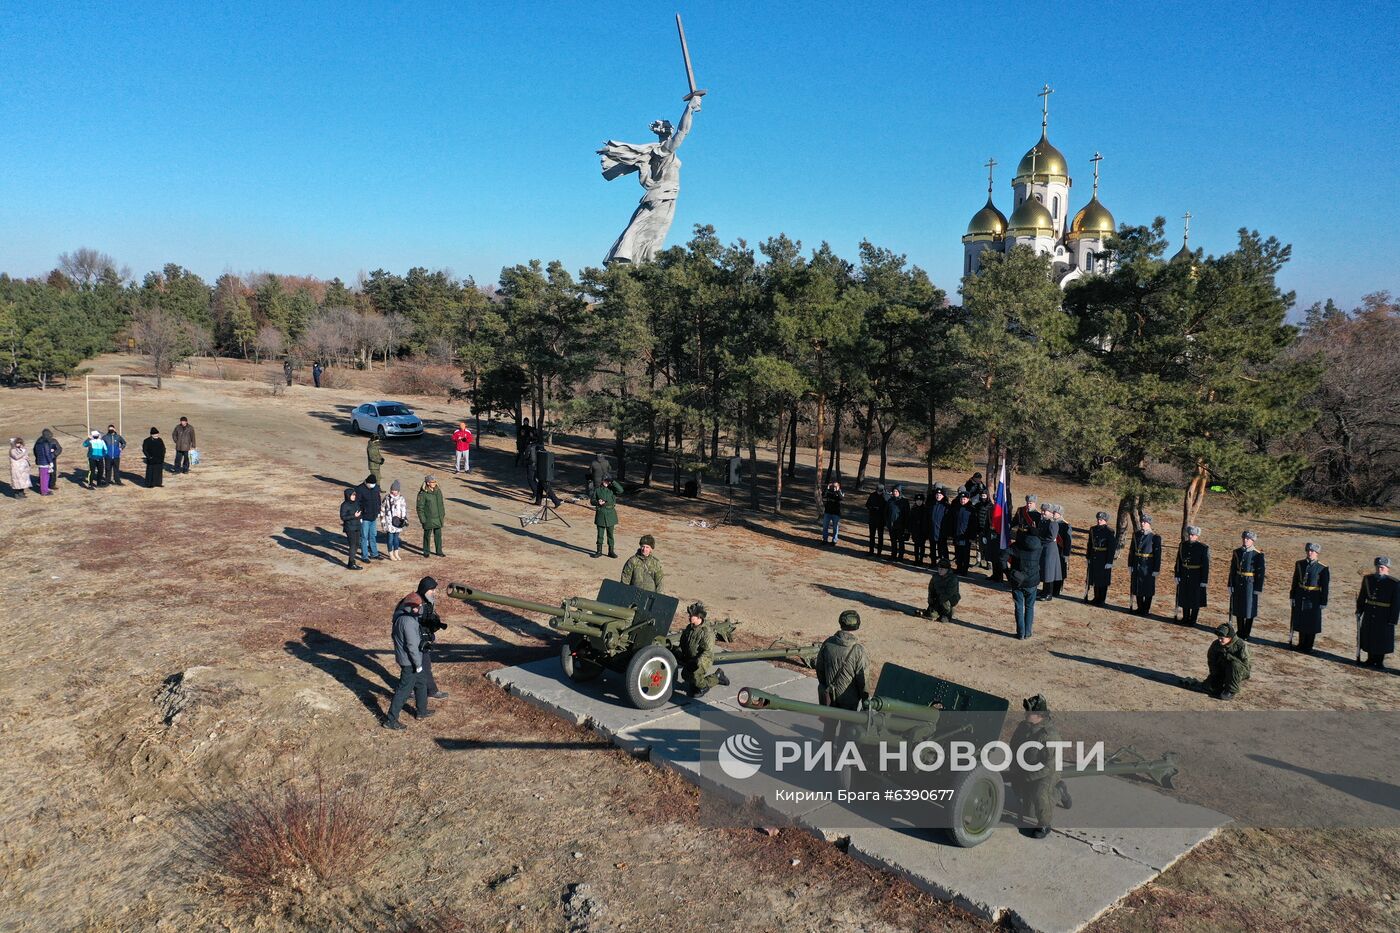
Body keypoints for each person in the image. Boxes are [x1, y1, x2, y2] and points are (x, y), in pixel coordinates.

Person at [1009, 695, 1070, 839]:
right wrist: (1016, 768)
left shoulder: (1050, 736)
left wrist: (1029, 776)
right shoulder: (1023, 727)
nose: (1026, 714)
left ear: (1040, 716)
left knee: (1040, 795)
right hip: (1027, 767)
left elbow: (1050, 766)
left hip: (1047, 772)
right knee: (1027, 809)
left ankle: (1045, 822)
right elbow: (1014, 746)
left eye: (1030, 713)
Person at [815, 610, 870, 744]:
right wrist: (866, 702)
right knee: (847, 732)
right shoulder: (859, 650)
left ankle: (825, 758)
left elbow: (820, 670)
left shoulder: (828, 644)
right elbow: (863, 680)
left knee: (828, 729)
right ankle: (842, 759)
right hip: (850, 701)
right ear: (857, 625)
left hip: (830, 697)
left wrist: (826, 686)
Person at [384, 593, 432, 729]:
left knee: (421, 683)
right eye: (419, 606)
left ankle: (422, 711)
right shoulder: (409, 622)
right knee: (403, 691)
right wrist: (417, 665)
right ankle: (391, 720)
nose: (420, 609)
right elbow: (412, 646)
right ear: (412, 608)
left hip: (409, 659)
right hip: (411, 662)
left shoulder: (399, 617)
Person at [1181, 623, 1251, 700]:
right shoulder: (1216, 644)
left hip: (1238, 671)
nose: (1219, 640)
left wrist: (1229, 657)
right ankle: (1220, 683)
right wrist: (1214, 675)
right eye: (1218, 638)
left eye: (1222, 638)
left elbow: (1245, 665)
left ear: (1229, 637)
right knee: (1207, 687)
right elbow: (1211, 660)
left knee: (1233, 664)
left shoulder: (1241, 645)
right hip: (1221, 669)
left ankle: (1231, 690)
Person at [677, 602, 730, 697]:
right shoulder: (690, 628)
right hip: (692, 657)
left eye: (691, 615)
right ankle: (695, 683)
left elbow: (708, 652)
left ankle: (715, 678)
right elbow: (683, 642)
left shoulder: (706, 632)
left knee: (696, 678)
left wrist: (698, 662)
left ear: (699, 617)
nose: (689, 617)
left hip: (703, 659)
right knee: (685, 675)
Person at [1357, 557, 1399, 669]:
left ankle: (1379, 662)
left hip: (1384, 615)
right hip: (1370, 612)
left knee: (1381, 638)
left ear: (1387, 569)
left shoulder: (1394, 583)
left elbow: (1396, 603)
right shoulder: (1368, 579)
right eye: (1377, 567)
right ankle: (1370, 659)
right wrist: (1359, 610)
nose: (1379, 569)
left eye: (1382, 568)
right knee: (1369, 635)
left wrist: (1393, 619)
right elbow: (1362, 596)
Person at [1288, 543, 1328, 654]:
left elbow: (1325, 587)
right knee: (1301, 620)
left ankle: (1308, 646)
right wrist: (1292, 595)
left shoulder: (1322, 568)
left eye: (1312, 551)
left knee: (1311, 622)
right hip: (1301, 595)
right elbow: (1295, 581)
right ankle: (1301, 643)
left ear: (1317, 553)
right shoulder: (1300, 564)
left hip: (1314, 597)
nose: (1310, 553)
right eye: (1308, 551)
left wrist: (1323, 601)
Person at [415, 576, 450, 700]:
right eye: (432, 590)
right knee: (415, 668)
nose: (434, 592)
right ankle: (427, 691)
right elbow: (411, 625)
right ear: (425, 589)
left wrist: (435, 625)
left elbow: (427, 620)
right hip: (415, 642)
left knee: (424, 666)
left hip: (422, 640)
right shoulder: (416, 603)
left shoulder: (427, 601)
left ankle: (431, 690)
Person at [1227, 531, 1266, 639]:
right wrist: (1230, 584)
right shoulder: (1237, 552)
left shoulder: (1257, 555)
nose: (1245, 540)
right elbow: (1233, 569)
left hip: (1250, 584)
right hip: (1238, 581)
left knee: (1249, 609)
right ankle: (1240, 631)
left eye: (1248, 539)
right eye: (1244, 538)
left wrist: (1258, 587)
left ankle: (1246, 632)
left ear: (1253, 541)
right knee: (1239, 607)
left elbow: (1260, 573)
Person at [1009, 527, 1043, 639]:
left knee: (1018, 607)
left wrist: (1007, 572)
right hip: (1032, 581)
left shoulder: (1017, 546)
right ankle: (1027, 633)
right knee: (1029, 607)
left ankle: (1020, 633)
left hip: (1018, 580)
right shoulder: (1039, 546)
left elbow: (1002, 556)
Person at [1175, 526, 1210, 627]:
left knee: (1195, 598)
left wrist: (1204, 580)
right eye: (1189, 534)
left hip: (1197, 575)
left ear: (1197, 536)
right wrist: (1177, 574)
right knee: (1185, 596)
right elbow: (1178, 561)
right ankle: (1185, 617)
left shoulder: (1203, 548)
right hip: (1185, 574)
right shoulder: (1183, 545)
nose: (1190, 536)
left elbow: (1206, 565)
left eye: (1193, 535)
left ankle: (1193, 619)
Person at [1128, 516, 1163, 616]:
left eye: (1145, 522)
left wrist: (1156, 569)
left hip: (1148, 566)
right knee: (1137, 587)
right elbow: (1132, 551)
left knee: (1147, 589)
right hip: (1137, 564)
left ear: (1149, 524)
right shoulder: (1136, 535)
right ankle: (1139, 608)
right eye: (1142, 522)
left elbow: (1157, 555)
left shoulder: (1155, 537)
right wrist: (1130, 564)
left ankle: (1145, 609)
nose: (1142, 523)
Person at [1085, 512, 1116, 605]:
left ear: (1105, 521)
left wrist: (1109, 561)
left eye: (1101, 520)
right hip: (1094, 556)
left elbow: (1111, 548)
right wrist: (1088, 556)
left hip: (1103, 558)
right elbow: (1090, 544)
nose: (1099, 521)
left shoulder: (1109, 531)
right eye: (1098, 519)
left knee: (1102, 580)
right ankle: (1096, 597)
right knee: (1094, 578)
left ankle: (1101, 599)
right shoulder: (1093, 529)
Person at [1038, 504, 1067, 601]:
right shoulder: (1043, 522)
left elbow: (1051, 537)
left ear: (1050, 513)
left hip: (1050, 550)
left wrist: (1039, 540)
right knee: (1045, 571)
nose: (1042, 512)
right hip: (1044, 549)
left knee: (1049, 572)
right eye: (1042, 510)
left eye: (1044, 511)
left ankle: (1048, 594)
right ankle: (1044, 591)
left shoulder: (1053, 523)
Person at [921, 559, 961, 623]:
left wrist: (937, 605)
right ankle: (939, 611)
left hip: (951, 598)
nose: (940, 570)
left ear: (947, 569)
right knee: (932, 614)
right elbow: (931, 590)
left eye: (942, 569)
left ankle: (948, 614)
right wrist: (931, 602)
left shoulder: (953, 578)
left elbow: (949, 593)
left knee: (945, 603)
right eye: (939, 568)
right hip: (939, 597)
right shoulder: (935, 577)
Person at [416, 475, 445, 557]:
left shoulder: (438, 491)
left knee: (438, 535)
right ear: (428, 483)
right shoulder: (423, 494)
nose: (434, 483)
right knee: (427, 536)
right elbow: (420, 508)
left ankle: (439, 551)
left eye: (435, 482)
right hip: (428, 519)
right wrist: (423, 520)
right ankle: (426, 551)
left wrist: (442, 515)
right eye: (433, 482)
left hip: (438, 517)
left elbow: (441, 504)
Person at [380, 479, 409, 560]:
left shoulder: (401, 498)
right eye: (392, 490)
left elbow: (404, 509)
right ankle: (391, 554)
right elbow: (382, 509)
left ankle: (396, 553)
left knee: (396, 539)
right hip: (389, 522)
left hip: (398, 522)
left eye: (395, 490)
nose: (394, 491)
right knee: (390, 539)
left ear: (398, 490)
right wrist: (383, 522)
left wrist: (403, 519)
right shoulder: (387, 498)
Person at [356, 474, 383, 562]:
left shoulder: (376, 488)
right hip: (365, 517)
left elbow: (378, 500)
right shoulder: (360, 489)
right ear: (366, 482)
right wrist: (360, 516)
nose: (372, 485)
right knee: (364, 537)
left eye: (374, 484)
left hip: (373, 516)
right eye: (371, 484)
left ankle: (374, 553)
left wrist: (378, 511)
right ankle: (365, 556)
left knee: (373, 535)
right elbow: (357, 504)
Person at [592, 478, 620, 558]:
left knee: (610, 535)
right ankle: (599, 551)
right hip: (601, 513)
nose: (606, 483)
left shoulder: (612, 490)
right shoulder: (598, 490)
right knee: (600, 534)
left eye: (607, 481)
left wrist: (613, 481)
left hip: (611, 514)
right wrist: (598, 502)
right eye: (605, 481)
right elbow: (592, 500)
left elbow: (621, 490)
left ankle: (611, 551)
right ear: (602, 481)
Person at [951, 489, 975, 575]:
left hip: (966, 536)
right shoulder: (956, 508)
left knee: (965, 554)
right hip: (957, 535)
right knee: (958, 553)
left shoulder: (971, 510)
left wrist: (972, 537)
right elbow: (953, 521)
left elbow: (973, 524)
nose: (962, 500)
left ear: (968, 499)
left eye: (964, 499)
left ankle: (964, 570)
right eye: (961, 498)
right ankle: (958, 568)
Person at [339, 488, 363, 570]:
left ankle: (351, 562)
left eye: (354, 495)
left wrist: (360, 515)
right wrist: (354, 516)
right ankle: (351, 563)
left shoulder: (356, 503)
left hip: (357, 526)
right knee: (352, 545)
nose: (354, 496)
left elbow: (359, 511)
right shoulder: (344, 505)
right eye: (352, 495)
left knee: (356, 544)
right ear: (348, 496)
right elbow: (343, 517)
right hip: (350, 528)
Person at [886, 486, 910, 562]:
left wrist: (906, 526)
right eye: (894, 491)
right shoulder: (890, 501)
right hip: (891, 525)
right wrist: (887, 522)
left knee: (901, 541)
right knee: (893, 541)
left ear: (899, 492)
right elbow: (886, 512)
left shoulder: (904, 501)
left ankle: (900, 557)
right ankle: (893, 555)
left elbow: (907, 514)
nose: (895, 493)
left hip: (900, 525)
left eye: (896, 491)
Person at [34, 429, 59, 496]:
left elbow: (59, 449)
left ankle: (48, 487)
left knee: (46, 476)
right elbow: (47, 453)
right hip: (46, 461)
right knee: (45, 477)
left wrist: (54, 454)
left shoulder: (39, 442)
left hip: (42, 460)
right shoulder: (44, 443)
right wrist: (50, 461)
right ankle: (44, 491)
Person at [865, 485, 888, 557]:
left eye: (880, 491)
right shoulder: (872, 495)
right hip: (872, 518)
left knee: (880, 537)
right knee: (872, 536)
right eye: (878, 491)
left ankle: (879, 552)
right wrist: (872, 508)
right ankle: (871, 551)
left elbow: (886, 509)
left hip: (881, 520)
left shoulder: (885, 497)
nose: (879, 492)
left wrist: (880, 510)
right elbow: (867, 504)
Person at [930, 486, 951, 566]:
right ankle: (933, 563)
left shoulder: (946, 506)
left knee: (942, 549)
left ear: (943, 496)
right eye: (937, 494)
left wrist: (947, 531)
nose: (938, 496)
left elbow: (948, 520)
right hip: (932, 530)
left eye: (940, 495)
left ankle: (945, 564)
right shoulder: (932, 505)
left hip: (942, 532)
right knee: (932, 548)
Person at [909, 492, 930, 564]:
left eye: (920, 500)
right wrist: (910, 530)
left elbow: (927, 521)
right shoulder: (913, 509)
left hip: (923, 531)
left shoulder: (925, 509)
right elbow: (910, 520)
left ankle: (921, 560)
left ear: (923, 501)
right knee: (916, 545)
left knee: (922, 546)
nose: (919, 502)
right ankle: (916, 559)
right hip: (915, 531)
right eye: (917, 500)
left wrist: (926, 531)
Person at [821, 480, 844, 547]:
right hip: (827, 512)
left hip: (836, 513)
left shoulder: (840, 492)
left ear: (838, 486)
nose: (833, 487)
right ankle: (825, 540)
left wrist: (837, 490)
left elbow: (841, 498)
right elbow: (823, 495)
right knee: (825, 527)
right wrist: (827, 488)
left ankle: (834, 540)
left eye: (835, 486)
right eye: (833, 486)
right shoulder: (829, 491)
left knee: (835, 528)